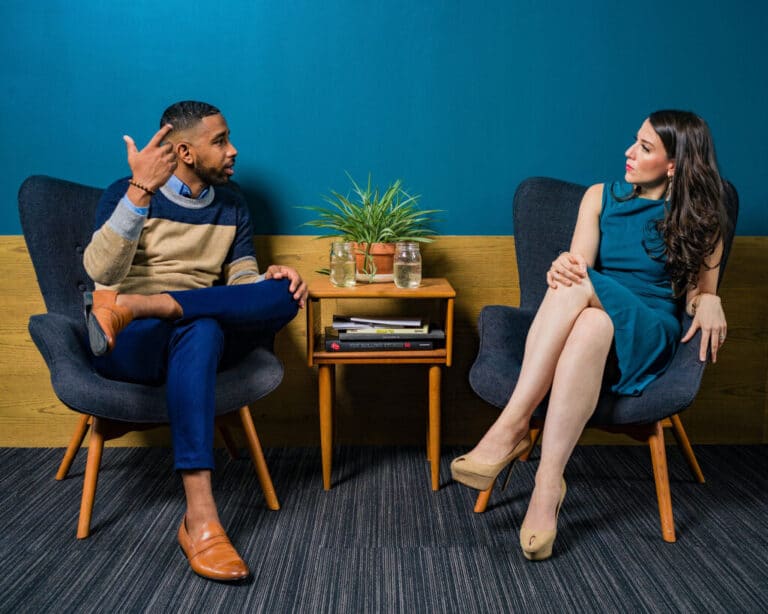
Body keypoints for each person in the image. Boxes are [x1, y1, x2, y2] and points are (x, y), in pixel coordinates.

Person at [450, 110, 728, 561]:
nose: (628, 152)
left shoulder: (703, 218)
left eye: (644, 147)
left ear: (674, 164)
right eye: (633, 141)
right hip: (597, 322)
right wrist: (562, 265)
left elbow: (699, 295)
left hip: (650, 328)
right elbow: (576, 267)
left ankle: (511, 424)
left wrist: (710, 300)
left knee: (581, 286)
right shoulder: (600, 197)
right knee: (589, 311)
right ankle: (547, 486)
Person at [83, 101, 308, 581]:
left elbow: (241, 274)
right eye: (221, 141)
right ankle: (201, 516)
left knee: (285, 295)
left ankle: (147, 304)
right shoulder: (126, 194)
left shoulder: (233, 203)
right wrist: (140, 192)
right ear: (184, 150)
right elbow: (100, 273)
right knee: (202, 325)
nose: (233, 150)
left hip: (185, 331)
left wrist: (266, 280)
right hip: (127, 341)